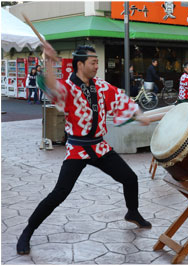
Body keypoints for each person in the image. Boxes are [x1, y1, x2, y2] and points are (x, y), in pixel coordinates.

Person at [16, 45, 152, 255]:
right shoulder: (69, 88)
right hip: (78, 148)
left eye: (97, 62)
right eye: (93, 62)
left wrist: (137, 114)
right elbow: (51, 85)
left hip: (99, 145)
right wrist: (50, 62)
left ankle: (132, 212)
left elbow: (120, 98)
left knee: (130, 178)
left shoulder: (101, 86)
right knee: (59, 193)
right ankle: (28, 231)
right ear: (80, 64)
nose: (97, 66)